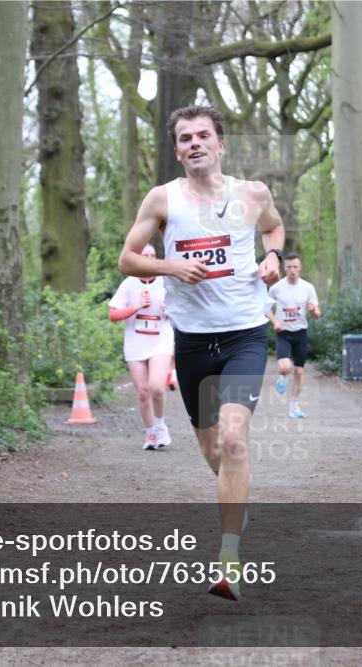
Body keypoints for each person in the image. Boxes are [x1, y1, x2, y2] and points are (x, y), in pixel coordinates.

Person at [117, 104, 284, 601]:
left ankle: (228, 559)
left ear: (220, 144)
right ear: (177, 150)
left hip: (245, 335)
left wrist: (272, 254)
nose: (195, 143)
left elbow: (274, 229)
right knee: (215, 452)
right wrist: (171, 267)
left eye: (203, 135)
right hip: (190, 340)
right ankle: (238, 497)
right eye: (185, 137)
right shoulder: (163, 199)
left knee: (234, 440)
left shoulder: (252, 194)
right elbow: (127, 258)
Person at [108, 244, 174, 450]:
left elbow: (183, 310)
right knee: (143, 392)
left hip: (160, 340)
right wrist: (135, 307)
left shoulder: (166, 282)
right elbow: (112, 315)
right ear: (137, 259)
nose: (149, 258)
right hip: (135, 343)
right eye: (145, 255)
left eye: (152, 256)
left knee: (156, 386)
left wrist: (170, 309)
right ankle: (150, 432)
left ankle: (160, 424)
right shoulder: (129, 284)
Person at [267, 254, 321, 418]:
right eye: (289, 267)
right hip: (284, 333)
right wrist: (275, 320)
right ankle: (282, 377)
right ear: (284, 268)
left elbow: (317, 315)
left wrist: (312, 310)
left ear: (300, 268)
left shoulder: (308, 288)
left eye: (295, 267)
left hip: (301, 334)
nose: (292, 270)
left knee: (298, 373)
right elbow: (265, 308)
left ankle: (294, 406)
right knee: (285, 367)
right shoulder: (276, 288)